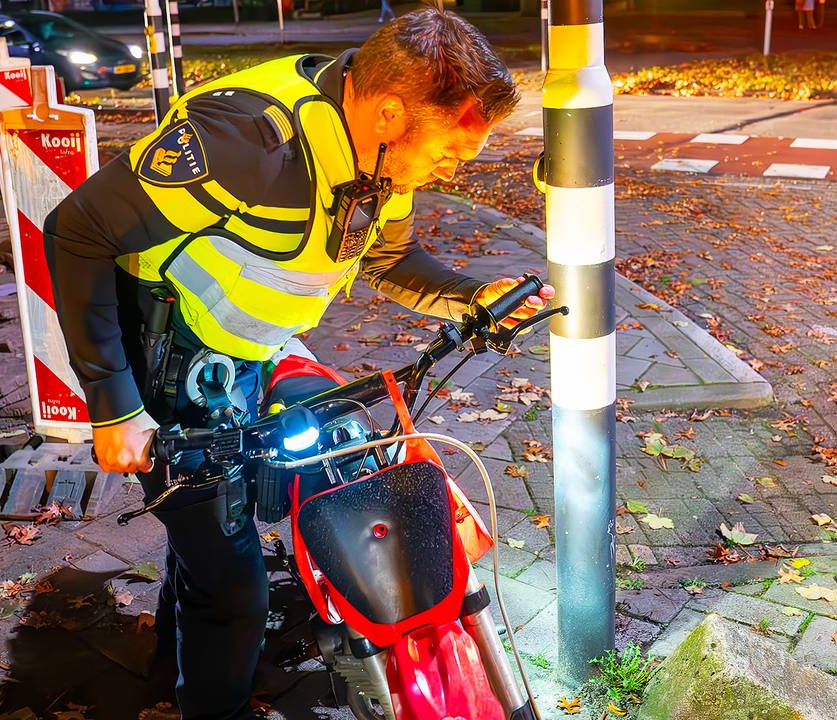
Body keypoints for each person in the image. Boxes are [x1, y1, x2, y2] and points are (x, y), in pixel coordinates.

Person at [43, 8, 553, 719]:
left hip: (236, 363)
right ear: (388, 112)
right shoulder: (247, 140)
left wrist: (474, 297)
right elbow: (76, 229)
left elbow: (388, 258)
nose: (453, 169)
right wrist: (114, 406)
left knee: (209, 538)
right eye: (450, 151)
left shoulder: (380, 156)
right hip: (163, 372)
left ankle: (168, 672)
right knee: (236, 591)